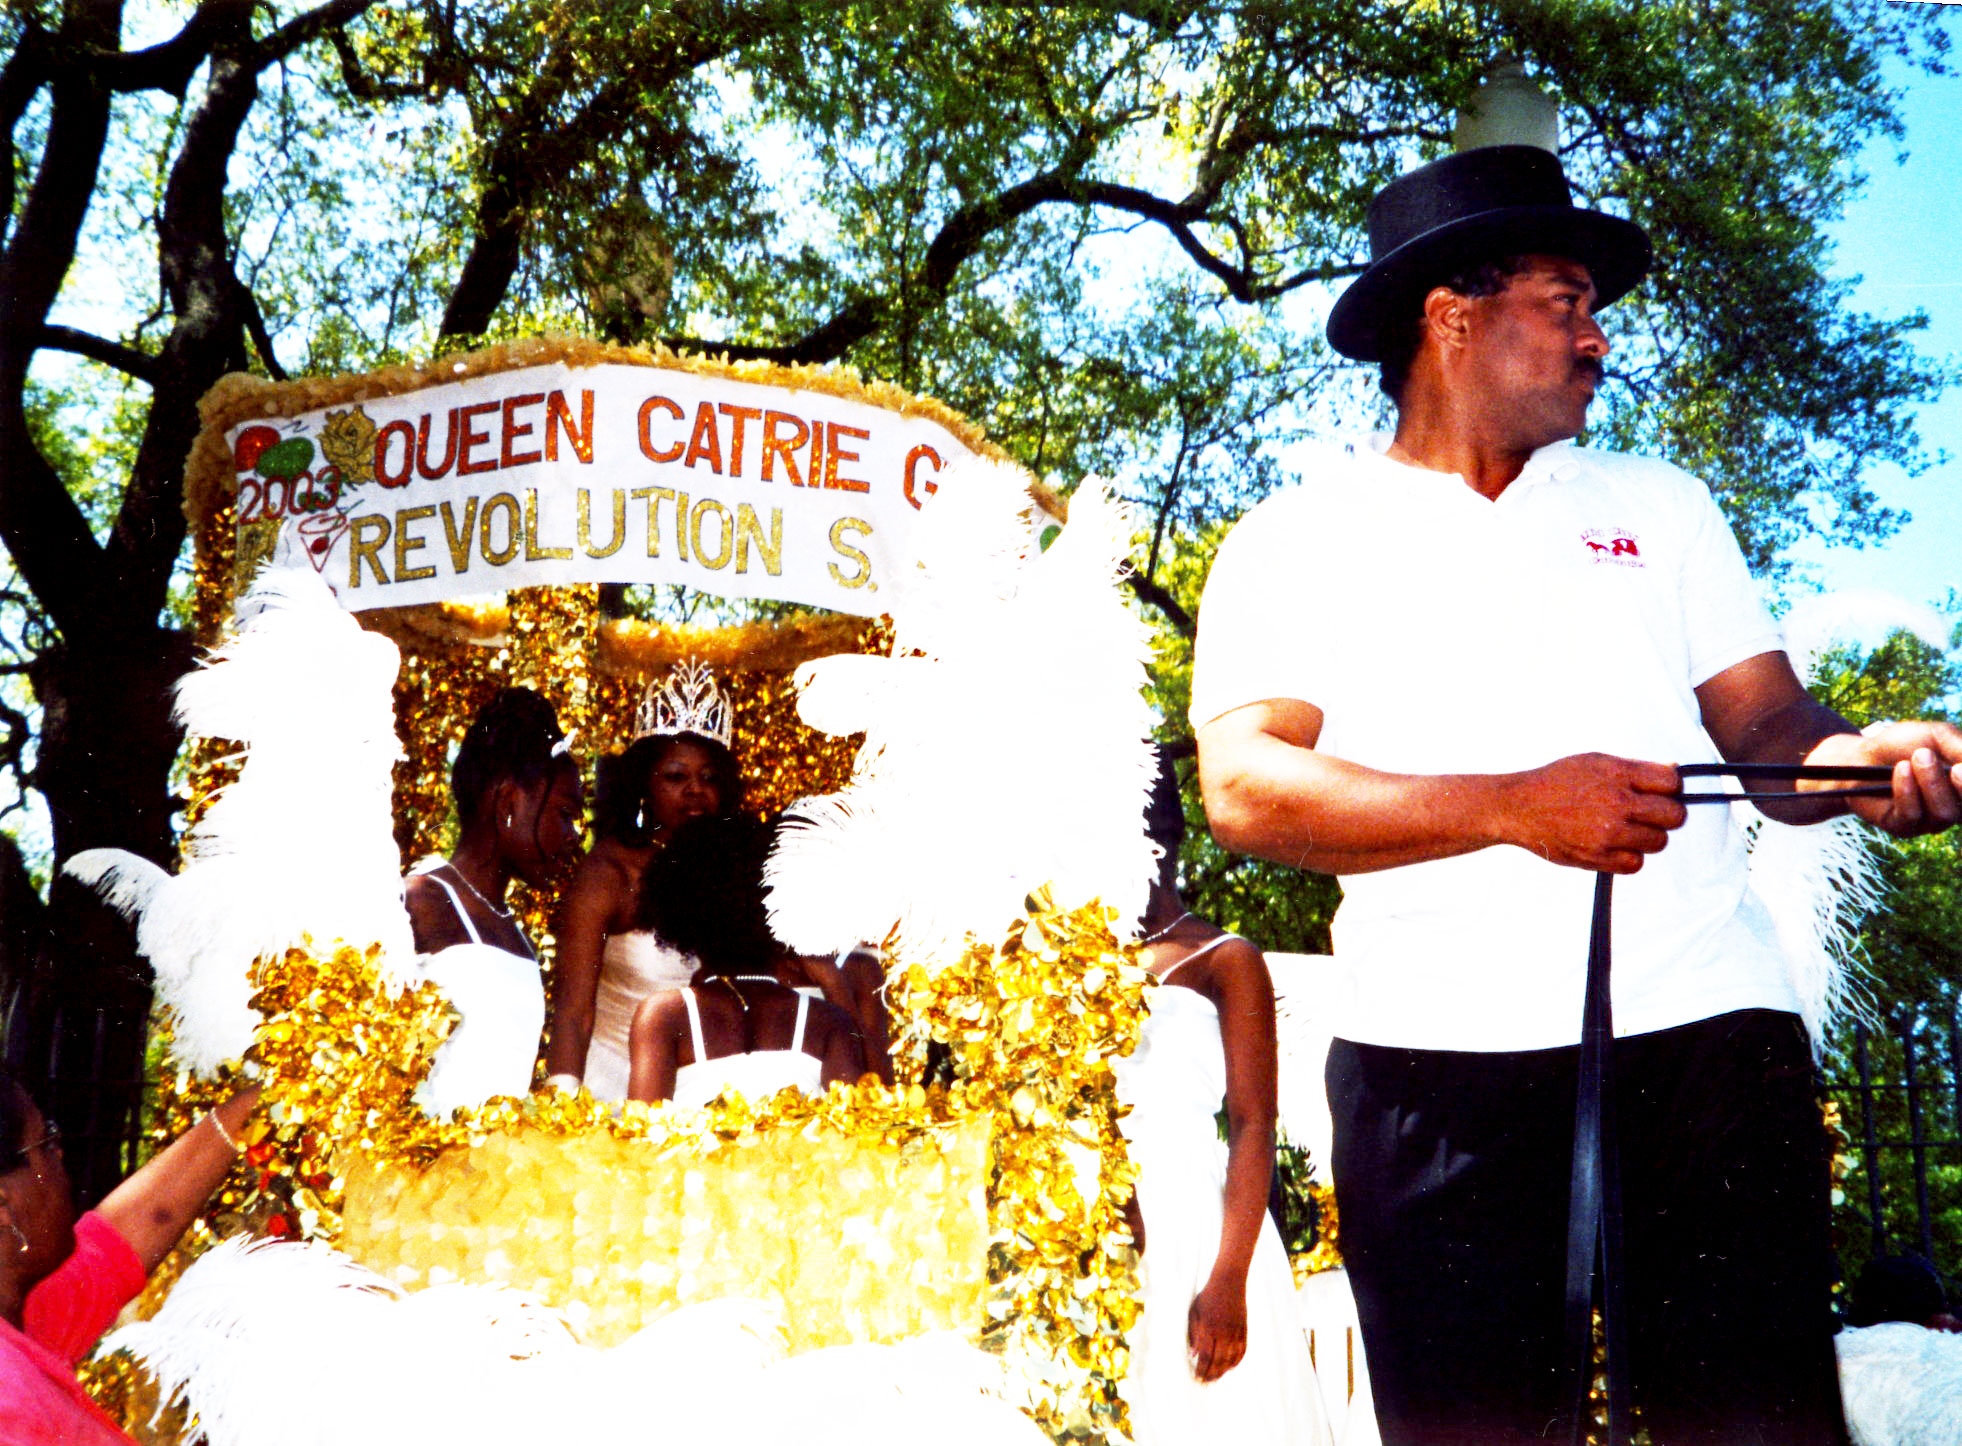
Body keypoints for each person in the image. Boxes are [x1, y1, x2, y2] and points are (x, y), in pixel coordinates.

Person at [1189, 143, 1962, 1445]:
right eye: (1566, 302)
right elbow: (1247, 787)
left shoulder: (1657, 505)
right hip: (1425, 1064)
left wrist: (1860, 759)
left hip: (1703, 1031)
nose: (1598, 338)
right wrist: (1509, 806)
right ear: (1451, 314)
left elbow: (1771, 726)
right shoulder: (1290, 539)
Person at [1115, 757, 1333, 1446]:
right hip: (1097, 1218)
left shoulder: (1225, 959)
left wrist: (1229, 1282)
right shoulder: (1069, 962)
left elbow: (1252, 1123)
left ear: (1164, 838)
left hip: (1194, 1227)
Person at [0, 1069, 258, 1443]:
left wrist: (261, 1105)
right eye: (45, 1144)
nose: (60, 1159)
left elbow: (134, 1229)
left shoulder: (28, 1313)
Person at [545, 711, 743, 1100]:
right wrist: (560, 1113)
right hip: (613, 1091)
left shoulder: (734, 872)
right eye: (675, 776)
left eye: (708, 778)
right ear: (643, 785)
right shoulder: (609, 872)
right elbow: (572, 1012)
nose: (695, 791)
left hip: (709, 1096)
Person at [405, 687, 585, 1113]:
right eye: (565, 814)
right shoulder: (420, 900)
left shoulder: (513, 930)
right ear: (508, 800)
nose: (574, 836)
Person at [626, 815, 864, 1106]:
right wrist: (835, 986)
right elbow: (862, 1123)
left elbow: (640, 1135)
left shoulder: (664, 1016)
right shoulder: (830, 1022)